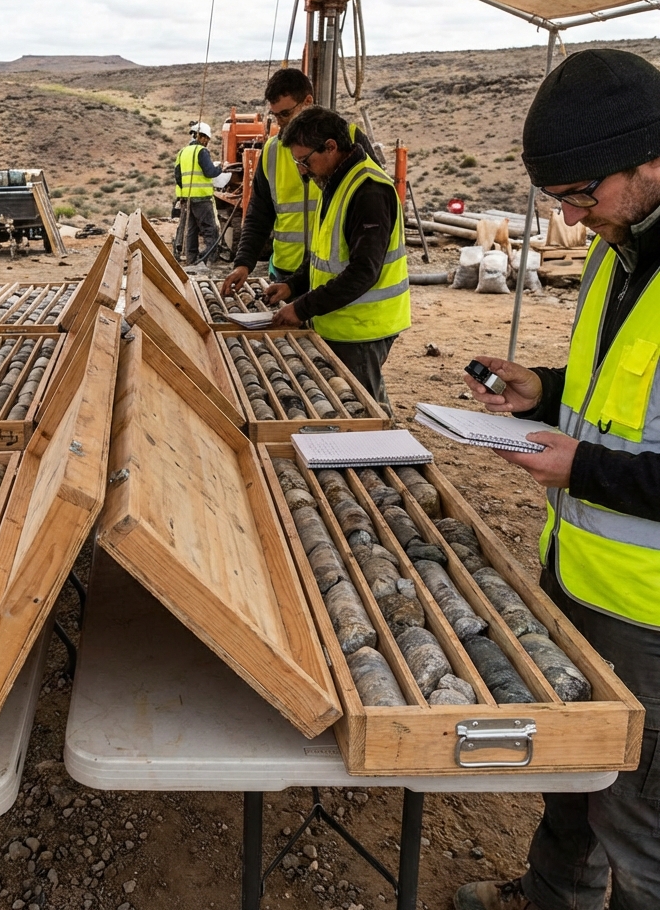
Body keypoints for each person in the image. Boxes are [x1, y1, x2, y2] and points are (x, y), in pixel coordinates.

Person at [454, 48, 660, 910]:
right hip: (583, 569)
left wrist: (585, 467)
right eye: (561, 201)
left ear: (650, 159)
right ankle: (552, 896)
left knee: (643, 825)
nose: (577, 219)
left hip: (651, 613)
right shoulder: (627, 244)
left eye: (585, 196)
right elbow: (628, 392)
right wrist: (550, 388)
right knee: (575, 768)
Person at [260, 105, 409, 407]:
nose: (302, 170)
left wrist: (301, 308)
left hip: (363, 328)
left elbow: (363, 272)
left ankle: (384, 453)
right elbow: (323, 255)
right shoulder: (334, 181)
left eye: (305, 161)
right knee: (345, 404)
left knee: (362, 410)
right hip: (340, 321)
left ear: (330, 147)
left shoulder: (368, 191)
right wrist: (293, 285)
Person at [221, 67, 376, 295]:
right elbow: (259, 214)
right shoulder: (272, 151)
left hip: (336, 275)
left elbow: (372, 210)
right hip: (287, 273)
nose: (280, 122)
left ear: (308, 101)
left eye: (285, 114)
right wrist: (244, 262)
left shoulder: (349, 142)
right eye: (275, 115)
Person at [173, 121, 227, 265]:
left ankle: (191, 259)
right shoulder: (201, 151)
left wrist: (185, 192)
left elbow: (178, 176)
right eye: (207, 139)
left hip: (187, 198)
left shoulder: (182, 152)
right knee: (210, 228)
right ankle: (210, 258)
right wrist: (222, 168)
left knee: (191, 229)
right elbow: (210, 172)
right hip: (202, 198)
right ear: (202, 137)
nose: (207, 142)